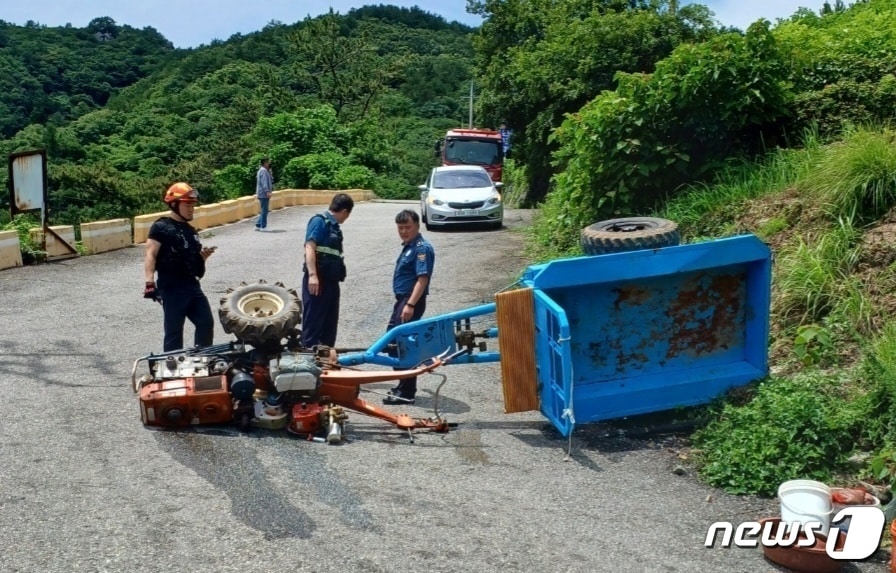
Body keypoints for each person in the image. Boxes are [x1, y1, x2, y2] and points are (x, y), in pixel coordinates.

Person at [143, 182, 216, 352]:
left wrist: (202, 258)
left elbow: (195, 266)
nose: (191, 209)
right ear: (175, 204)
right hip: (171, 288)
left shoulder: (191, 231)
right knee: (174, 332)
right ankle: (172, 368)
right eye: (187, 204)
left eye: (193, 205)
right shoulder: (161, 227)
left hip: (192, 286)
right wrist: (149, 283)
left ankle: (202, 359)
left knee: (206, 323)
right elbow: (150, 254)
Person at [383, 209, 436, 405]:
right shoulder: (409, 246)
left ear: (417, 226)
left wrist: (410, 304)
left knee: (403, 345)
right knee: (395, 342)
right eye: (400, 228)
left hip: (410, 300)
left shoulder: (422, 249)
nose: (404, 231)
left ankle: (406, 393)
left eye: (408, 227)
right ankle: (403, 386)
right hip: (403, 300)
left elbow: (422, 279)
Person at [301, 193, 355, 348]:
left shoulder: (335, 228)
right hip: (319, 281)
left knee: (330, 325)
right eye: (348, 214)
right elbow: (310, 247)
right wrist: (312, 275)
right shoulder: (319, 221)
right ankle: (308, 360)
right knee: (313, 323)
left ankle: (326, 360)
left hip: (331, 282)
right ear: (345, 211)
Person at [255, 157, 274, 231]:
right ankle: (263, 226)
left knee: (264, 210)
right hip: (263, 193)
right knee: (265, 210)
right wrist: (267, 191)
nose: (269, 163)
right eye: (267, 162)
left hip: (262, 193)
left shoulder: (265, 171)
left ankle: (258, 224)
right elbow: (264, 182)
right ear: (264, 163)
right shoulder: (263, 171)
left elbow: (271, 180)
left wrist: (270, 172)